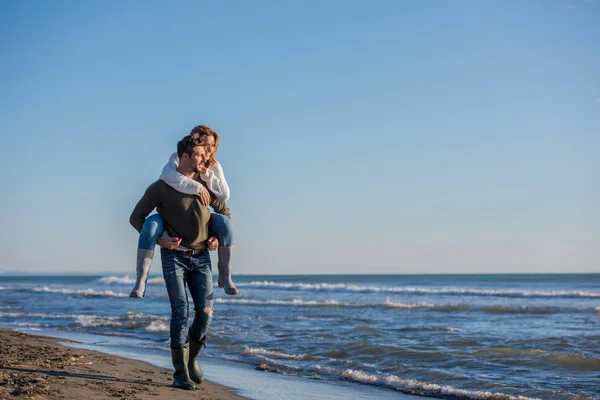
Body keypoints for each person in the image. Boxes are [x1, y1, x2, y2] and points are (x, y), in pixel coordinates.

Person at [130, 134, 225, 390]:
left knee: (206, 314)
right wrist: (160, 241)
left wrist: (215, 237)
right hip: (175, 258)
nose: (205, 158)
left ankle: (192, 358)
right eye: (198, 154)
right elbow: (136, 217)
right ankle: (180, 371)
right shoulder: (161, 187)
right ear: (184, 156)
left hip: (202, 257)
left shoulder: (205, 183)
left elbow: (224, 210)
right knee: (180, 312)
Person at [129, 125, 239, 298]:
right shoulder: (171, 171)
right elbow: (167, 176)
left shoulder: (210, 173)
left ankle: (225, 277)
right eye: (204, 146)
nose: (208, 151)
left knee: (225, 222)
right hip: (172, 245)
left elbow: (224, 201)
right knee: (151, 224)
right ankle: (141, 281)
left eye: (212, 147)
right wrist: (160, 241)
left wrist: (216, 237)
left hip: (200, 250)